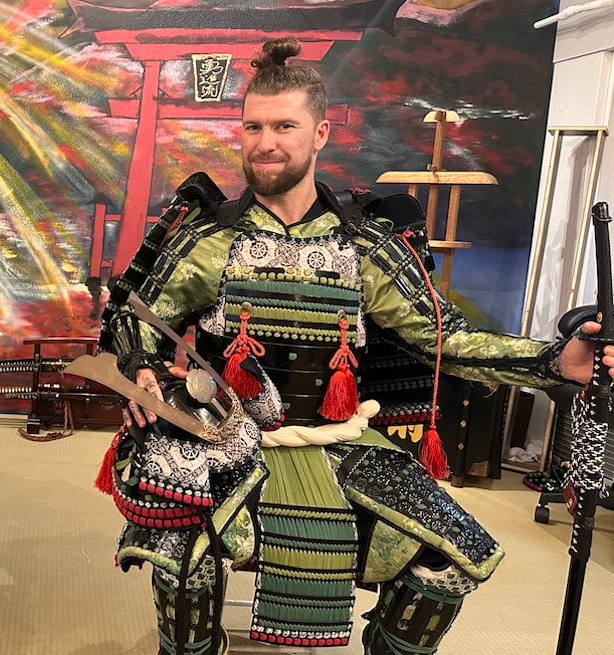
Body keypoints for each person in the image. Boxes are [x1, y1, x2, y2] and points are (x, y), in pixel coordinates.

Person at [98, 36, 614, 655]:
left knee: (448, 565)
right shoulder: (205, 236)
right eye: (253, 126)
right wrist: (142, 370)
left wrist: (553, 361)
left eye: (285, 125)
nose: (266, 142)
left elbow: (445, 337)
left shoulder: (368, 242)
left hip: (340, 441)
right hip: (219, 440)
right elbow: (132, 321)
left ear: (318, 134)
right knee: (180, 562)